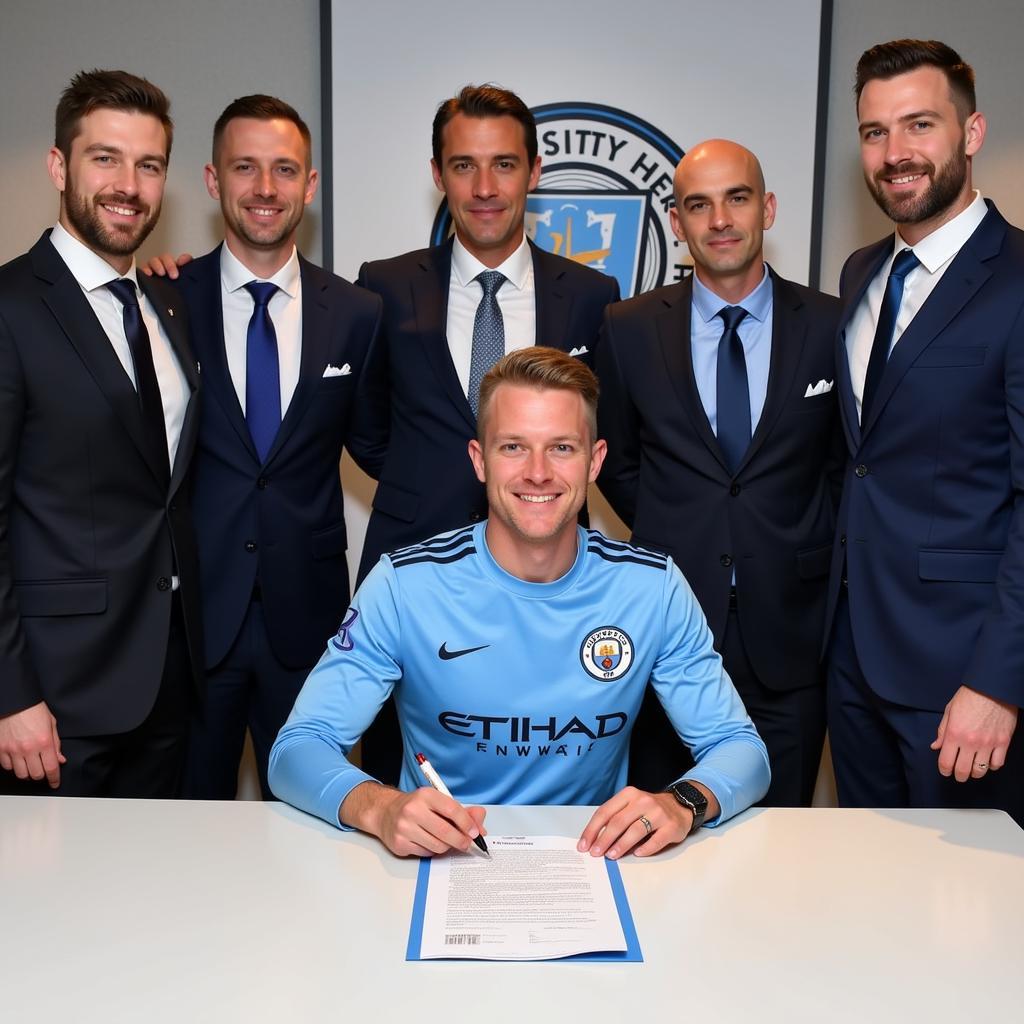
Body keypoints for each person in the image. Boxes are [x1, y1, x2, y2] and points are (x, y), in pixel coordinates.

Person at [270, 347, 769, 859]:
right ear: (478, 460)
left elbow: (741, 749)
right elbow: (297, 749)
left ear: (595, 461)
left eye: (561, 448)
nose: (537, 473)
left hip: (590, 864)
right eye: (512, 447)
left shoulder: (652, 588)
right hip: (438, 863)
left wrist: (683, 802)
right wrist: (380, 808)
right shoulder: (405, 585)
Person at [354, 84, 620, 783]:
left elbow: (604, 430)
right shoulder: (381, 287)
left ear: (534, 172)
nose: (483, 187)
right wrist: (430, 481)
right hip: (414, 565)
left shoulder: (593, 296)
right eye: (463, 165)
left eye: (503, 164)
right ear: (438, 175)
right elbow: (366, 426)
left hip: (552, 572)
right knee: (394, 778)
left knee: (548, 759)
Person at [146, 96, 382, 799]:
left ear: (310, 186)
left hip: (308, 624)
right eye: (245, 167)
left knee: (316, 820)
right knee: (189, 829)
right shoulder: (163, 297)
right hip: (191, 623)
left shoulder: (358, 312)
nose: (266, 188)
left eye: (285, 170)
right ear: (215, 180)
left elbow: (381, 445)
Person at [597, 140, 841, 806]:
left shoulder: (830, 323)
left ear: (767, 208)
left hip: (792, 635)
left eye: (736, 198)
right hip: (671, 631)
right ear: (676, 224)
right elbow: (615, 461)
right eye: (698, 205)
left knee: (782, 837)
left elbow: (843, 466)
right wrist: (677, 526)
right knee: (657, 835)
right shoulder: (627, 327)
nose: (720, 220)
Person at [826, 39, 1024, 821]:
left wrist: (999, 682)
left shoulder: (1017, 280)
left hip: (962, 680)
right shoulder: (860, 272)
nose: (896, 154)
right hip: (852, 660)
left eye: (919, 126)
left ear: (971, 133)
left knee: (963, 918)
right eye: (875, 132)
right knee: (867, 896)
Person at [0, 70, 202, 797]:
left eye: (148, 165)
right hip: (54, 701)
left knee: (153, 899)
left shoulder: (166, 307)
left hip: (169, 684)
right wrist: (10, 695)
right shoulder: (11, 307)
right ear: (60, 166)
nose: (129, 184)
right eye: (105, 158)